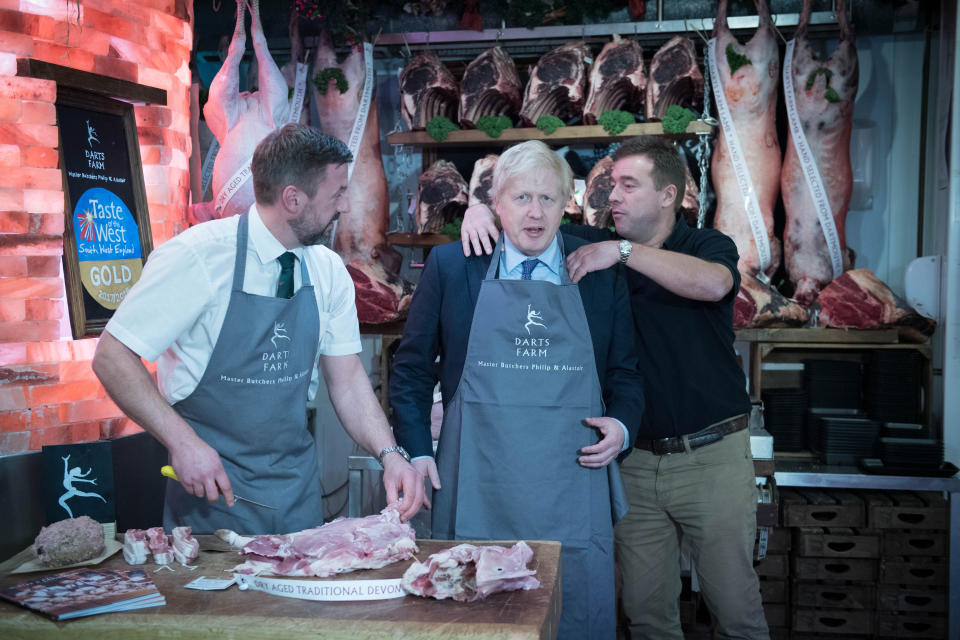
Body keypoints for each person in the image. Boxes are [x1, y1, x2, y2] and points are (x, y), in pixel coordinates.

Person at [461, 136, 769, 640]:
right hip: (633, 461)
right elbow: (530, 213)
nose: (613, 197)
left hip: (709, 456)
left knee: (735, 610)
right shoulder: (592, 240)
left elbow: (714, 285)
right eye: (609, 186)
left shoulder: (706, 245)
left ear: (669, 194)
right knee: (647, 614)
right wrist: (479, 214)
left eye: (628, 185)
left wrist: (623, 251)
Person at [93, 123, 422, 534]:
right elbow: (112, 355)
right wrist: (182, 442)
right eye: (337, 194)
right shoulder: (198, 257)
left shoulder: (328, 270)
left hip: (296, 501)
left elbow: (349, 380)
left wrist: (390, 454)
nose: (345, 208)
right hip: (210, 504)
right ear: (293, 199)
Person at [390, 140, 644, 639]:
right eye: (522, 199)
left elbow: (626, 373)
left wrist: (621, 424)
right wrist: (417, 451)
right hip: (475, 485)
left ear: (567, 203)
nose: (535, 213)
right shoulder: (453, 265)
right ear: (496, 204)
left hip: (571, 483)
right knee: (474, 622)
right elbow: (413, 370)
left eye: (548, 199)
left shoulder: (595, 267)